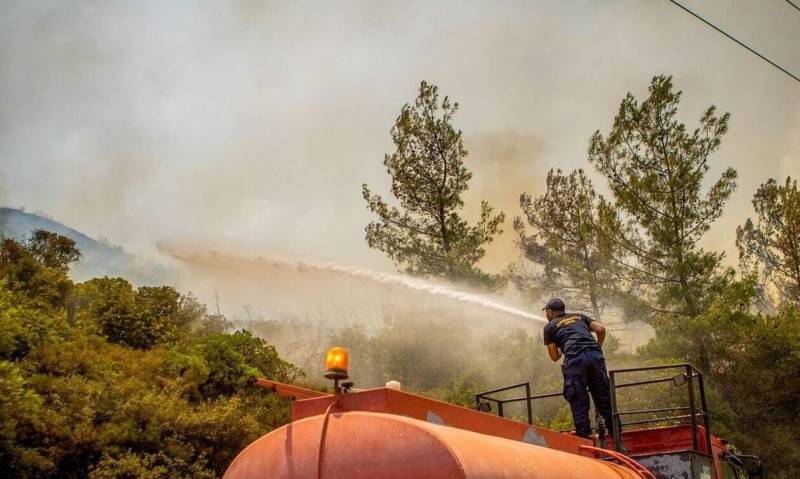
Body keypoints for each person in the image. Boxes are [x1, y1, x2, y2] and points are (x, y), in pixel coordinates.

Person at [542, 298, 613, 439]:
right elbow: (601, 329)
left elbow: (554, 356)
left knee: (578, 399)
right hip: (595, 357)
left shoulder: (549, 327)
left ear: (550, 312)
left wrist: (565, 347)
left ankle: (585, 438)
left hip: (575, 361)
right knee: (603, 396)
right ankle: (615, 432)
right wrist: (597, 346)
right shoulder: (580, 316)